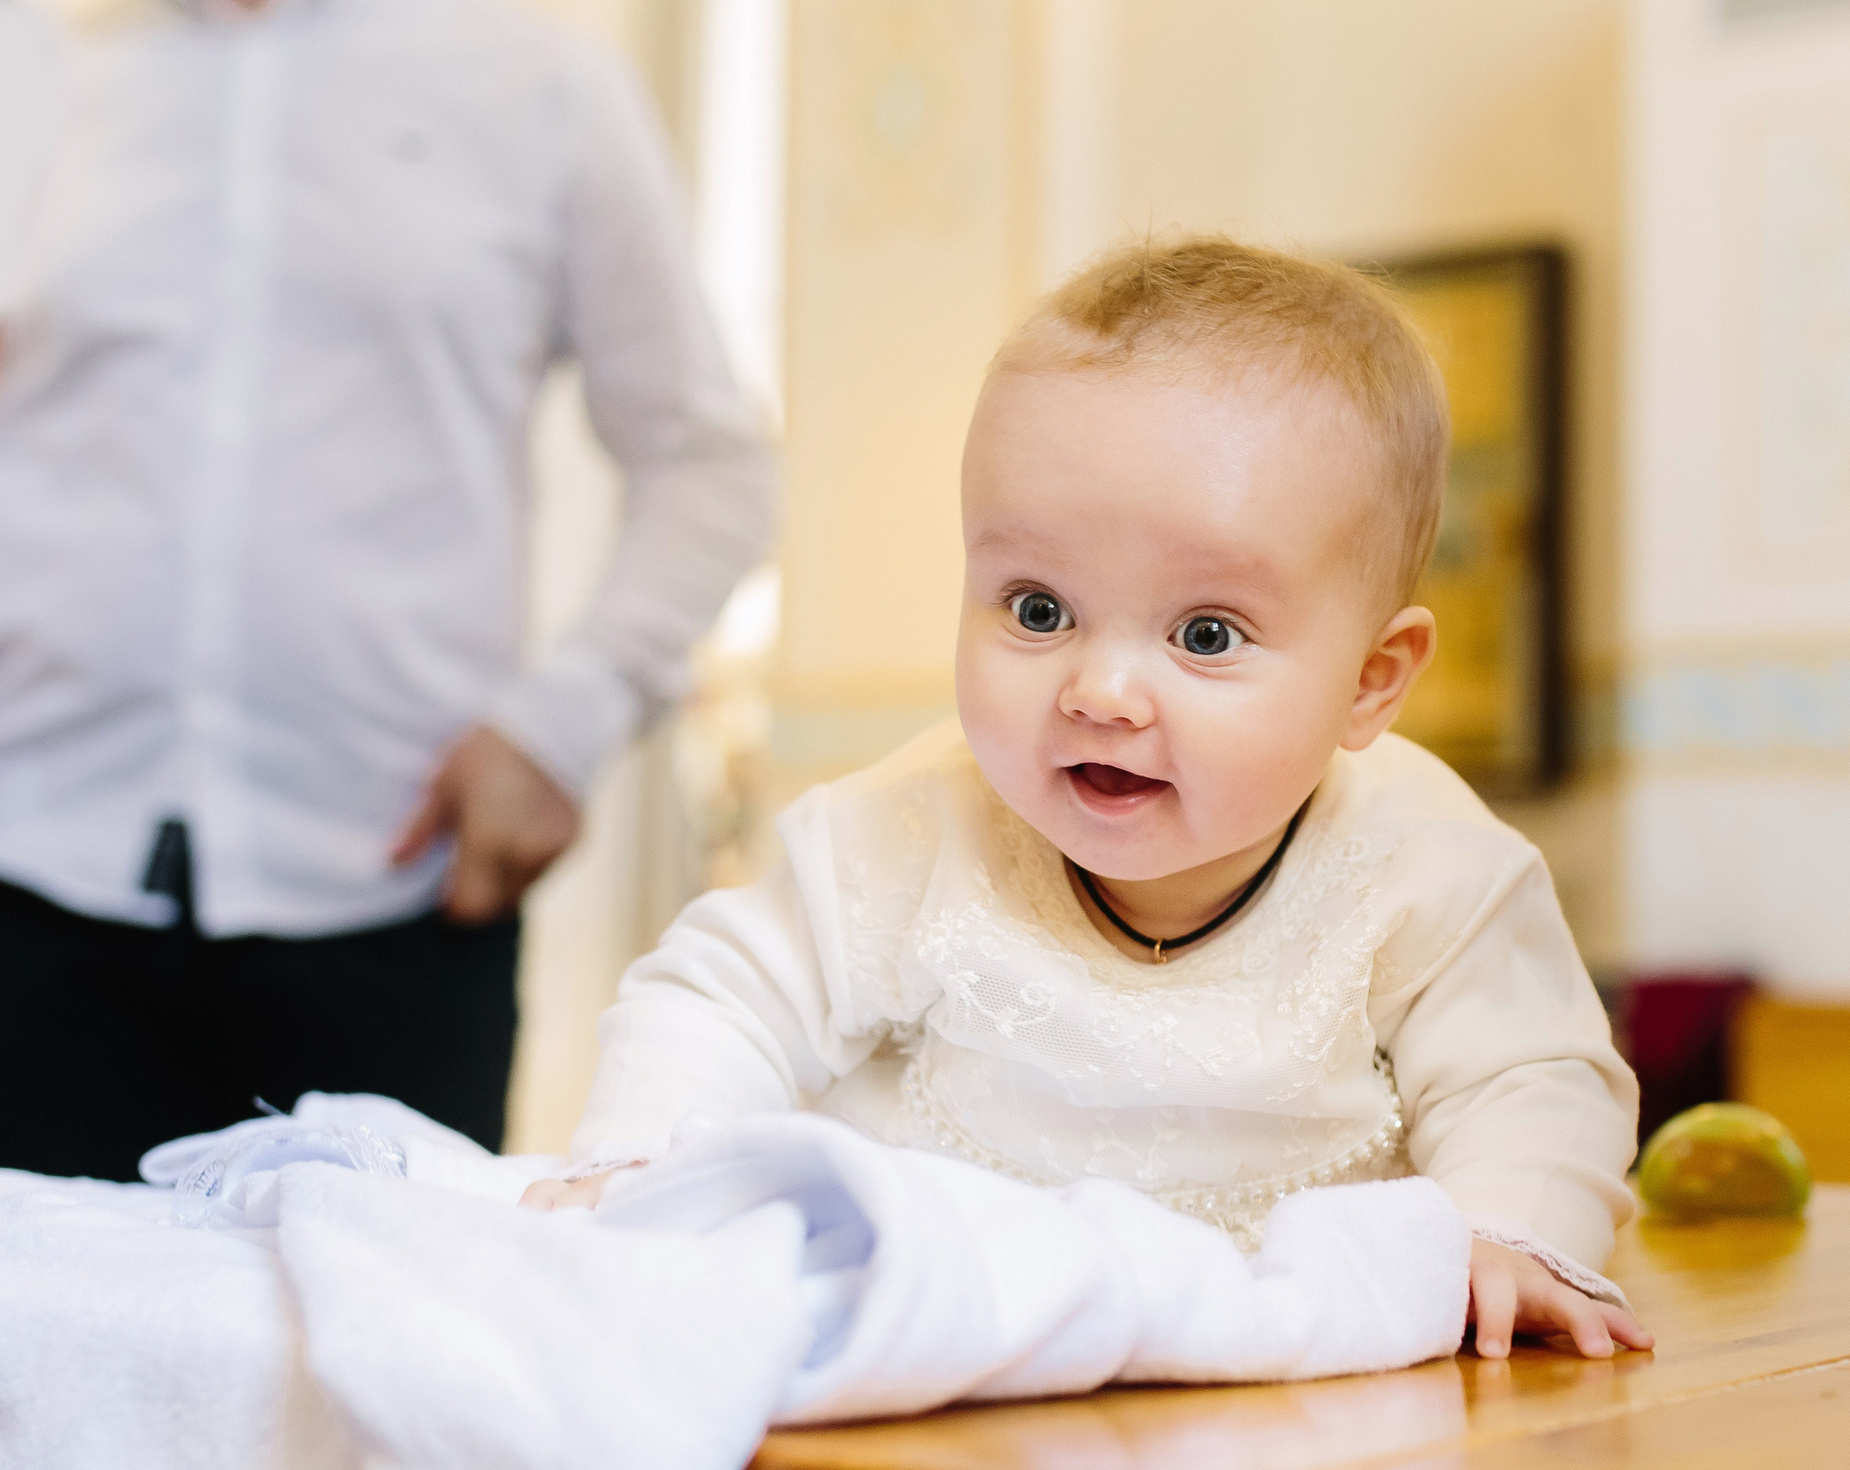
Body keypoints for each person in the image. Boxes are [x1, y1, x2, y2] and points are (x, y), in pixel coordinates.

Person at [529, 238, 1650, 1359]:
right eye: (1036, 609)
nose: (1101, 691)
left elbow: (1535, 1077)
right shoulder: (917, 827)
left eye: (1204, 635)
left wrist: (1507, 1233)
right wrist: (638, 1167)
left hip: (1294, 1374)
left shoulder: (1426, 867)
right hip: (953, 1342)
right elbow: (725, 991)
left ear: (1371, 680)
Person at [0, 0, 775, 1178]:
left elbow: (709, 462)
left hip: (395, 905)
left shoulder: (543, 91)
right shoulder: (38, 70)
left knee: (372, 1354)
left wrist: (563, 725)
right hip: (33, 884)